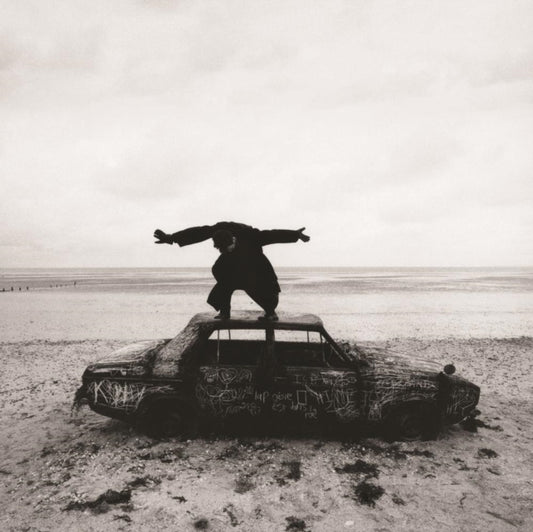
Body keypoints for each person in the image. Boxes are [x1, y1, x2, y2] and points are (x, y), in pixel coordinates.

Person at [153, 222, 310, 320]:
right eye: (222, 250)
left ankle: (270, 311)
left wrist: (295, 234)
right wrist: (171, 238)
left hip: (256, 267)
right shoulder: (219, 230)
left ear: (234, 240)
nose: (226, 251)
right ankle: (224, 312)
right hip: (235, 266)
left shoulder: (251, 236)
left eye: (228, 248)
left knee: (252, 283)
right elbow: (199, 232)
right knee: (219, 271)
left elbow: (272, 235)